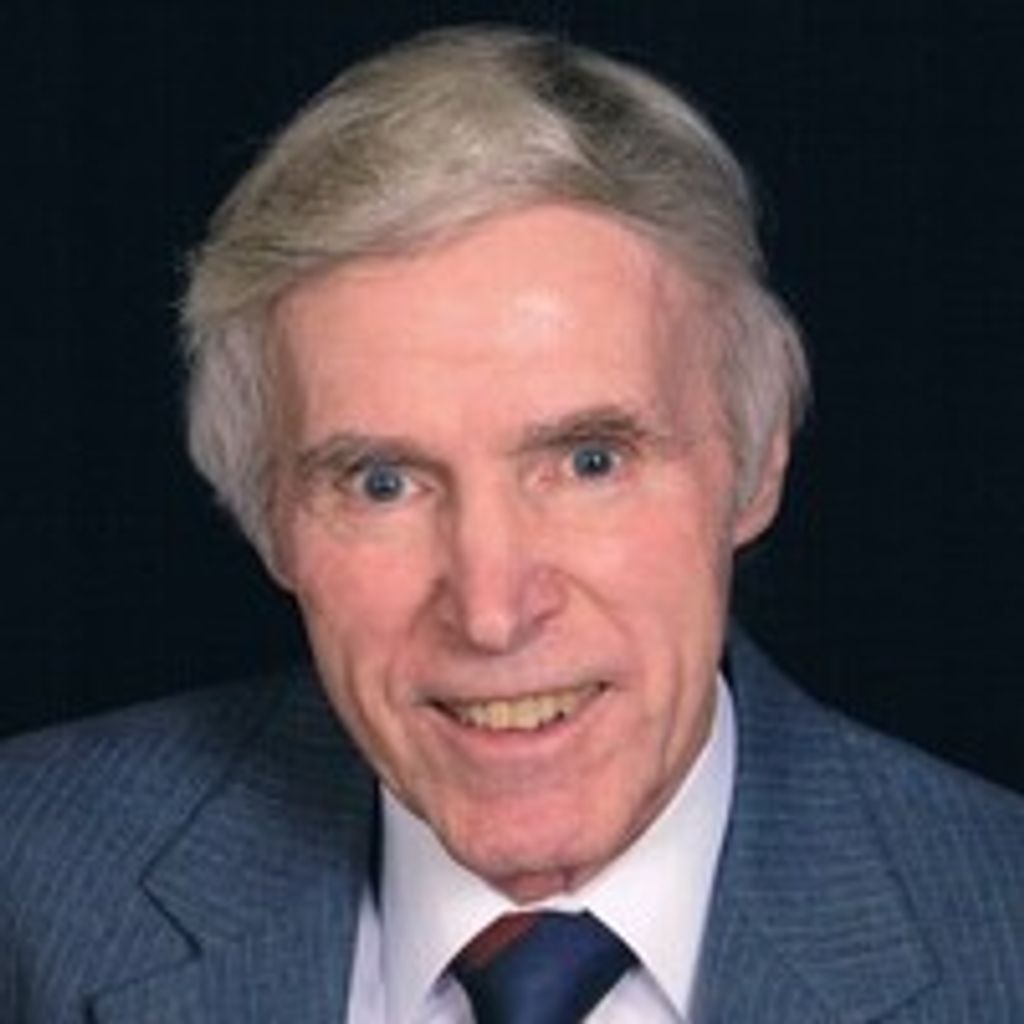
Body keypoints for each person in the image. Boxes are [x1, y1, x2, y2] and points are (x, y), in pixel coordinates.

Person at [2, 24, 1022, 1023]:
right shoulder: (29, 889)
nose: (492, 612)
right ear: (269, 517)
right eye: (383, 483)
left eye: (589, 463)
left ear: (755, 467)